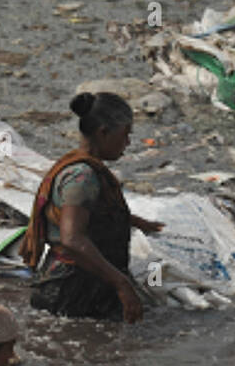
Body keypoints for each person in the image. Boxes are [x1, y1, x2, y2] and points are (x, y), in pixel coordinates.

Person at [21, 92, 163, 323]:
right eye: (125, 135)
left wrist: (139, 223)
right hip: (72, 292)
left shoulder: (82, 168)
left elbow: (95, 214)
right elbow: (72, 239)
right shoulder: (83, 177)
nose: (127, 142)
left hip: (78, 286)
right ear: (103, 132)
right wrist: (122, 283)